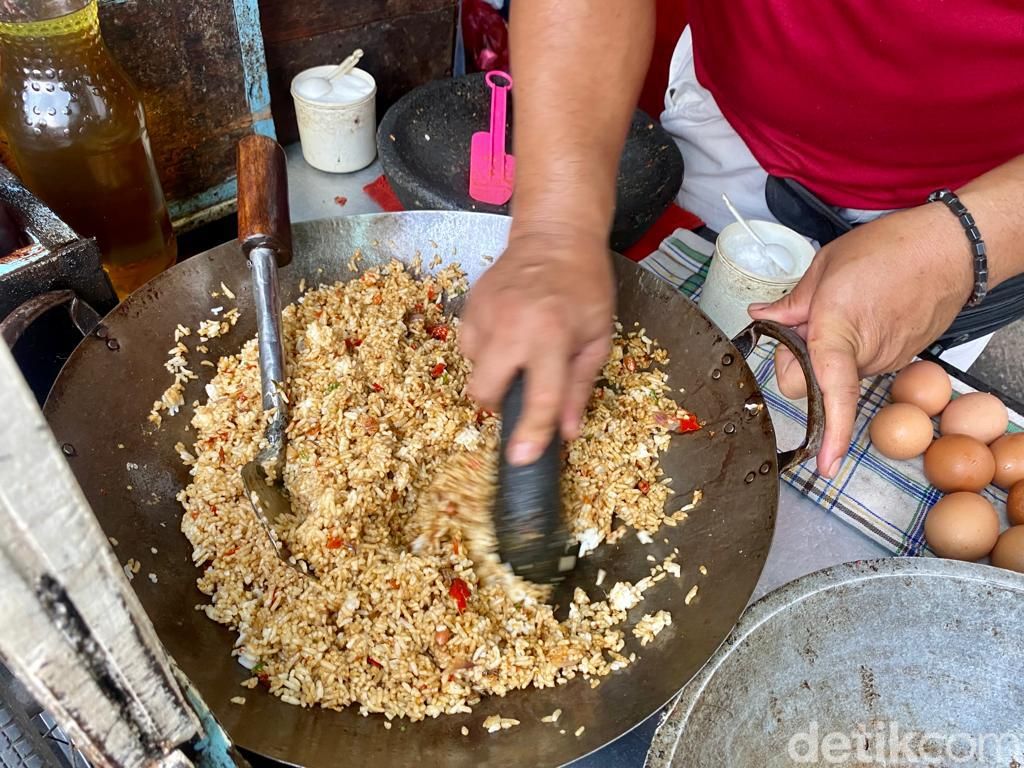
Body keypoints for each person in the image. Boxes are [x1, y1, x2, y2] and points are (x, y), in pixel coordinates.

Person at [461, 0, 1024, 478]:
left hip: (988, 201)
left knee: (907, 386)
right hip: (735, 129)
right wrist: (557, 227)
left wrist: (960, 246)